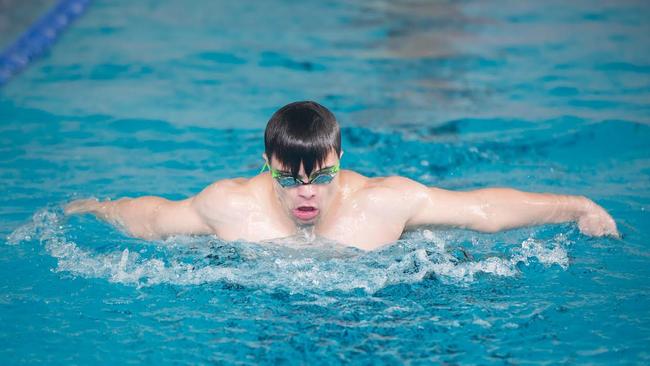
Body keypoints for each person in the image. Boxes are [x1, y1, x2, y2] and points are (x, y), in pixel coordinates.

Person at [65, 101, 619, 250]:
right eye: (289, 179)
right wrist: (94, 209)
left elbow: (481, 209)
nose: (307, 191)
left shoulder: (383, 201)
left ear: (340, 159)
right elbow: (156, 217)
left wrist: (574, 206)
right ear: (266, 165)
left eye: (321, 176)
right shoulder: (229, 205)